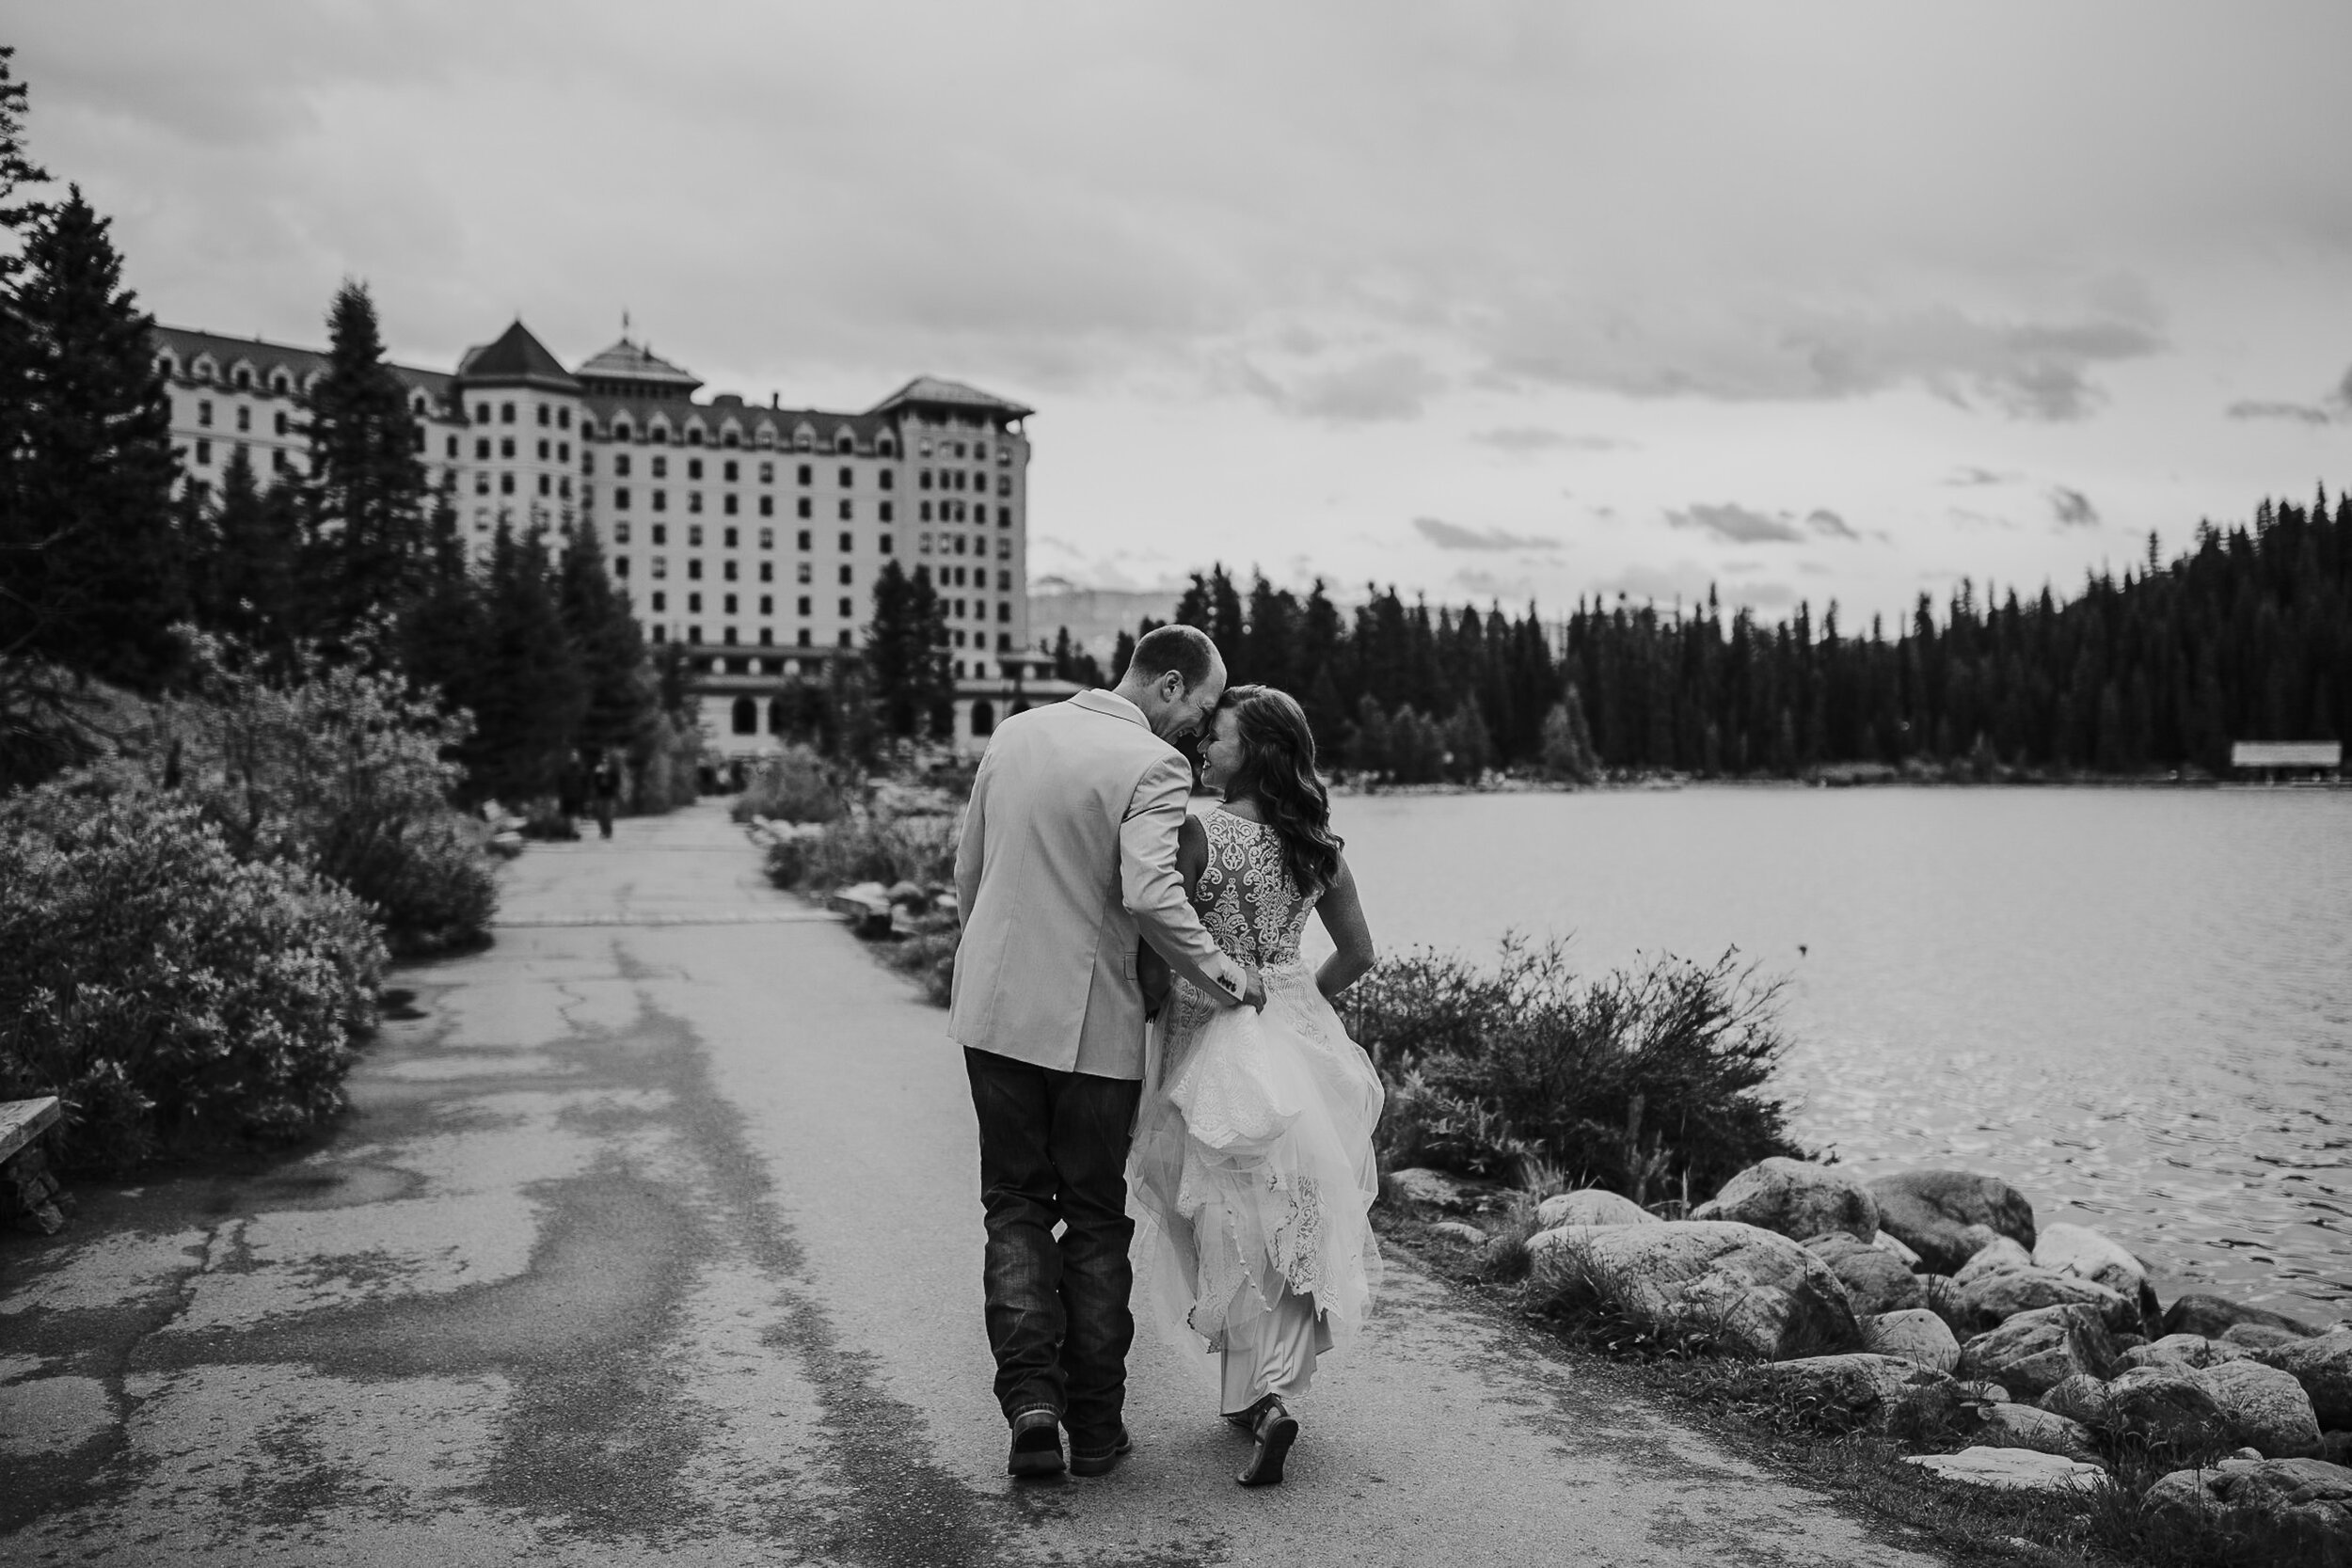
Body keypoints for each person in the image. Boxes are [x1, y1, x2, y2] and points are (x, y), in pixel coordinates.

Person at [950, 626, 1267, 1481]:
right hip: (1094, 1031)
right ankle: (1092, 1430)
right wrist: (1222, 968)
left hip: (994, 1018)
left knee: (1015, 1206)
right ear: (1167, 685)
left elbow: (968, 873)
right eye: (1199, 710)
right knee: (1091, 1220)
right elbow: (1150, 890)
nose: (1197, 734)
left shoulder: (1015, 733)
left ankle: (1031, 1406)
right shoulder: (1150, 766)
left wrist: (985, 970)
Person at [1126, 685, 1383, 1487]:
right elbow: (1359, 952)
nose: (1203, 748)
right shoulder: (1318, 844)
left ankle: (1263, 1399)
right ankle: (1258, 1394)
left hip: (1209, 1035)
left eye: (1219, 737)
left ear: (1259, 750)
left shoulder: (1200, 831)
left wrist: (1157, 999)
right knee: (1286, 1207)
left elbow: (1161, 941)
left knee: (1214, 1208)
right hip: (1296, 1033)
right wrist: (1300, 995)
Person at [589, 752, 621, 840]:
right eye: (603, 759)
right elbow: (594, 782)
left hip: (610, 794)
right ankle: (603, 831)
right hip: (600, 794)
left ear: (608, 760)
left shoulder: (612, 770)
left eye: (606, 759)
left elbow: (617, 781)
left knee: (608, 814)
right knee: (600, 814)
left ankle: (608, 831)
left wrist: (611, 785)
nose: (604, 760)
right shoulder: (598, 769)